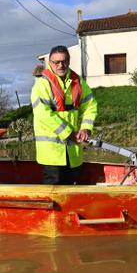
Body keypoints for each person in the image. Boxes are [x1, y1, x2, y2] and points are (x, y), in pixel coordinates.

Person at [31, 45, 98, 184]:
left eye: (64, 61)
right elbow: (43, 114)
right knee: (53, 192)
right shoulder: (42, 85)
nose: (61, 65)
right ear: (50, 63)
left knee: (72, 189)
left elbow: (90, 105)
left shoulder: (77, 81)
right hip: (52, 153)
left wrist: (86, 128)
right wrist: (68, 133)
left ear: (68, 61)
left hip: (73, 151)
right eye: (56, 62)